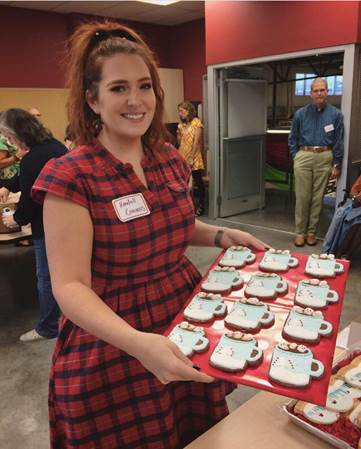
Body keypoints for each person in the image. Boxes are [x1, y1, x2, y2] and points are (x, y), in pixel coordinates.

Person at [30, 21, 268, 449]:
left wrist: (221, 235)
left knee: (194, 435)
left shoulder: (167, 159)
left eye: (145, 86)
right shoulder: (71, 176)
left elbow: (171, 225)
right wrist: (139, 344)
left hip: (184, 317)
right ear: (92, 98)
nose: (136, 100)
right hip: (113, 339)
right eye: (119, 88)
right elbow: (68, 287)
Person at [0, 108, 67, 341]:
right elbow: (28, 177)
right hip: (68, 222)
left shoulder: (31, 159)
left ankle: (48, 327)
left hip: (46, 227)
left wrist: (15, 219)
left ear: (19, 134)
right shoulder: (55, 147)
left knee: (46, 277)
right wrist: (9, 184)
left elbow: (28, 203)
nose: (9, 142)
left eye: (9, 138)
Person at [288, 77, 344, 247]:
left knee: (318, 198)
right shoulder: (300, 114)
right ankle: (300, 233)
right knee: (302, 197)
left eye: (322, 90)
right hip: (304, 155)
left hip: (325, 157)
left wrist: (337, 163)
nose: (319, 93)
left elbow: (338, 141)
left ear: (327, 92)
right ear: (311, 93)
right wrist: (296, 156)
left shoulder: (336, 115)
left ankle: (311, 232)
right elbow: (292, 138)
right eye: (316, 90)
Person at [322, 174, 361, 258]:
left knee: (355, 221)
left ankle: (344, 255)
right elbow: (353, 190)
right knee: (342, 213)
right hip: (357, 204)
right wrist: (355, 198)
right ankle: (330, 251)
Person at [177, 101, 206, 216]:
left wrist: (191, 157)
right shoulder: (181, 125)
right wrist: (178, 133)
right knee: (184, 183)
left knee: (197, 181)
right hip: (182, 155)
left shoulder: (196, 122)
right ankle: (188, 207)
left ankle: (201, 206)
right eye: (179, 111)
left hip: (194, 156)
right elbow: (180, 143)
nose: (180, 114)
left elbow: (196, 142)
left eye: (182, 111)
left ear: (188, 111)